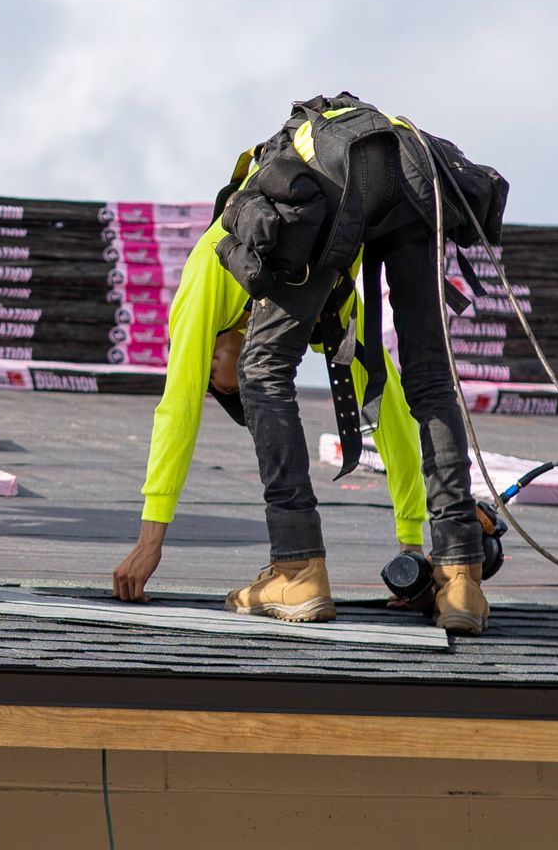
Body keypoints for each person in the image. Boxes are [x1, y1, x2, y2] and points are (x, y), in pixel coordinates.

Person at [214, 94, 506, 634]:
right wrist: (409, 538)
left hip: (340, 181)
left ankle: (297, 568)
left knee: (263, 369)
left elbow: (180, 399)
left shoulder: (267, 183)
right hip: (417, 172)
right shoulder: (343, 131)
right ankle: (460, 577)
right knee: (430, 375)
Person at [112, 212, 428, 617]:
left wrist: (149, 540)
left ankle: (297, 568)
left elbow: (178, 409)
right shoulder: (320, 312)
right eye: (219, 381)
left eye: (206, 371)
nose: (210, 364)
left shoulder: (201, 290)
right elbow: (387, 404)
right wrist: (411, 559)